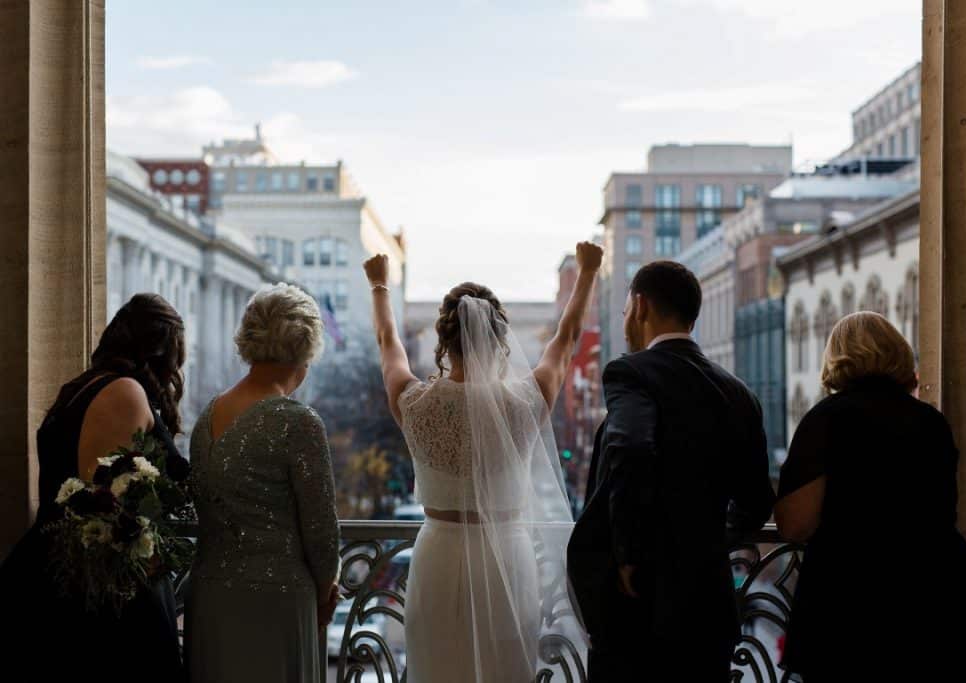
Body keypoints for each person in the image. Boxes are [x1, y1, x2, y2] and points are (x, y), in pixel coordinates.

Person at [363, 242, 600, 682]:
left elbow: (387, 343)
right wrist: (588, 272)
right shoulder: (526, 404)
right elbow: (565, 341)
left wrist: (379, 284)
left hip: (437, 554)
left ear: (443, 341)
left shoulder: (414, 404)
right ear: (499, 340)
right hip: (505, 561)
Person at [567, 260, 776, 682]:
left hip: (638, 609)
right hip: (707, 608)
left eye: (626, 308)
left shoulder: (631, 372)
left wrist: (628, 553)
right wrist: (706, 539)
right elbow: (756, 501)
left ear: (641, 306)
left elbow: (631, 446)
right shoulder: (740, 394)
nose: (626, 318)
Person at [775, 311, 966, 682]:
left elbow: (794, 523)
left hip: (854, 598)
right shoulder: (930, 421)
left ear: (837, 356)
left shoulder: (826, 419)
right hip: (936, 593)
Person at [0, 293, 189, 683]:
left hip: (53, 571)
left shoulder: (80, 387)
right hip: (98, 587)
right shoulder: (123, 391)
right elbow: (102, 497)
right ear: (161, 350)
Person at [186, 283, 340, 683]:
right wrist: (326, 592)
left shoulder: (207, 416)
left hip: (210, 598)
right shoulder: (298, 421)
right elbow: (322, 531)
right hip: (278, 604)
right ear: (306, 349)